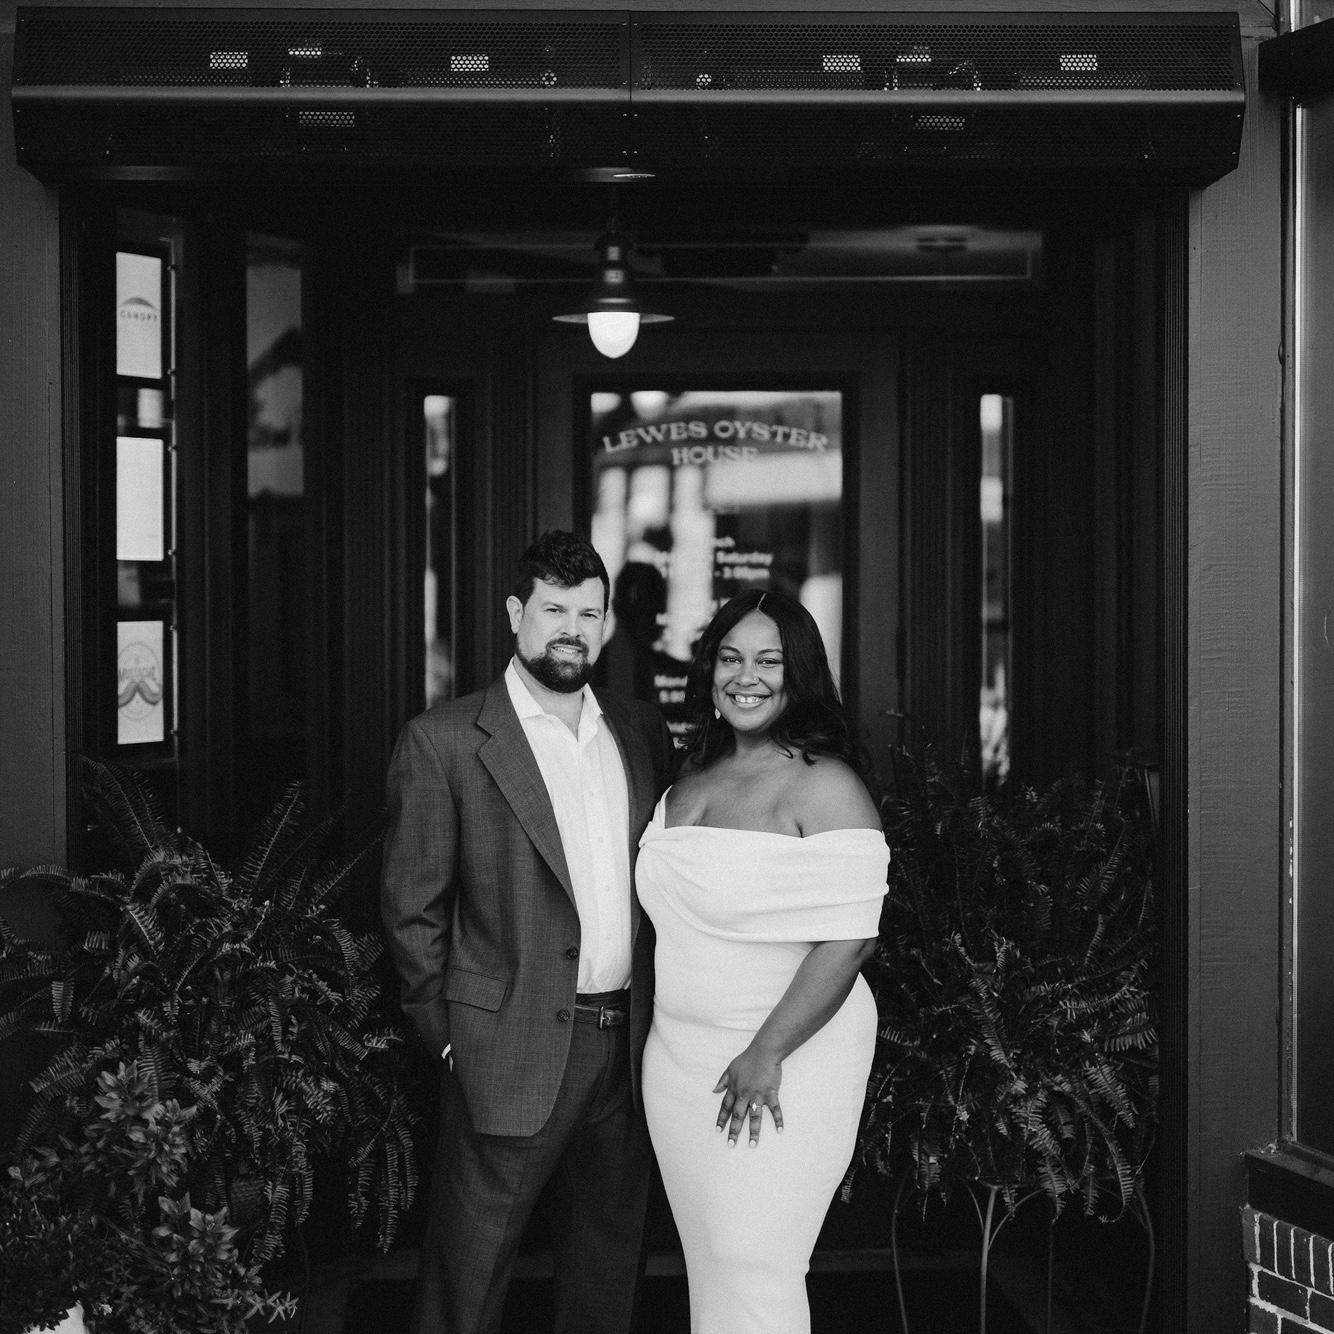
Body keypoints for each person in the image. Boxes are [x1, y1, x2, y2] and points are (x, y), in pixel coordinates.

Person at [381, 530, 675, 1334]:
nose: (571, 629)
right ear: (517, 614)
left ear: (607, 623)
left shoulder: (640, 731)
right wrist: (449, 1039)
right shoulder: (444, 740)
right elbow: (412, 909)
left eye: (588, 613)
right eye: (554, 610)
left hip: (629, 1044)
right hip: (504, 1044)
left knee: (606, 1269)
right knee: (468, 1276)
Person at [635, 586, 889, 1334]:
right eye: (730, 657)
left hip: (786, 1058)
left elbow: (852, 937)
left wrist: (766, 1051)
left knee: (755, 1264)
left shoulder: (825, 783)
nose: (746, 676)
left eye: (769, 661)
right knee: (713, 1261)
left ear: (797, 674)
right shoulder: (689, 773)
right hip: (678, 1060)